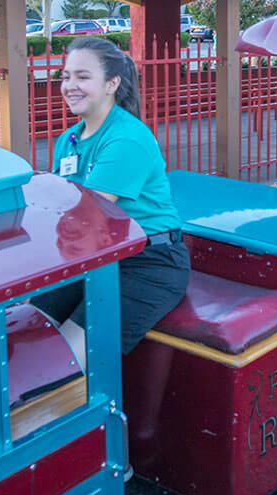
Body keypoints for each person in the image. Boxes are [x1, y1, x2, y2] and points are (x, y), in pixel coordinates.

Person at [46, 37, 190, 354]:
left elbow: (85, 213)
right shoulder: (68, 139)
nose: (70, 85)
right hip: (91, 255)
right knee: (27, 325)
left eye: (82, 77)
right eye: (66, 76)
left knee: (66, 354)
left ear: (112, 83)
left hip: (147, 262)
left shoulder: (126, 139)